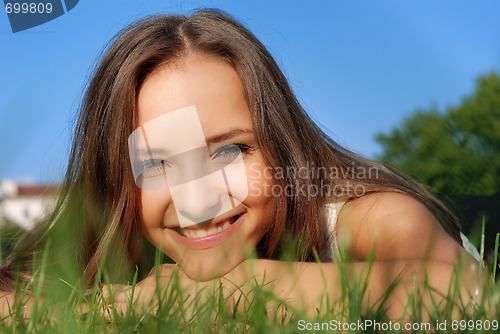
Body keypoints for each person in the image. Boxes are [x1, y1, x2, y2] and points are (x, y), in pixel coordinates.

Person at [0, 9, 481, 319]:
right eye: (157, 164)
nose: (199, 198)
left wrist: (238, 286)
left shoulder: (365, 215)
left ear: (282, 144)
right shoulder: (115, 234)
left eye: (230, 151)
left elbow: (469, 295)